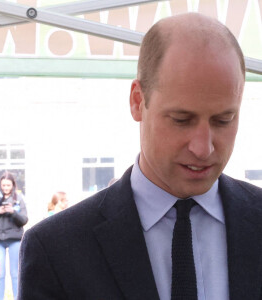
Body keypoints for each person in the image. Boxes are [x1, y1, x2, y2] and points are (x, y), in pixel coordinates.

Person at [18, 12, 261, 300]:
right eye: (181, 119)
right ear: (137, 101)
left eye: (223, 120)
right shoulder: (56, 249)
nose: (203, 147)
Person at [0, 171, 28, 300]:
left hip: (14, 239)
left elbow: (24, 219)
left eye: (8, 185)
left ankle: (18, 297)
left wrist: (12, 212)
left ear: (13, 185)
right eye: (3, 185)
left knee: (15, 273)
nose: (5, 188)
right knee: (0, 274)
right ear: (0, 185)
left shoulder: (19, 198)